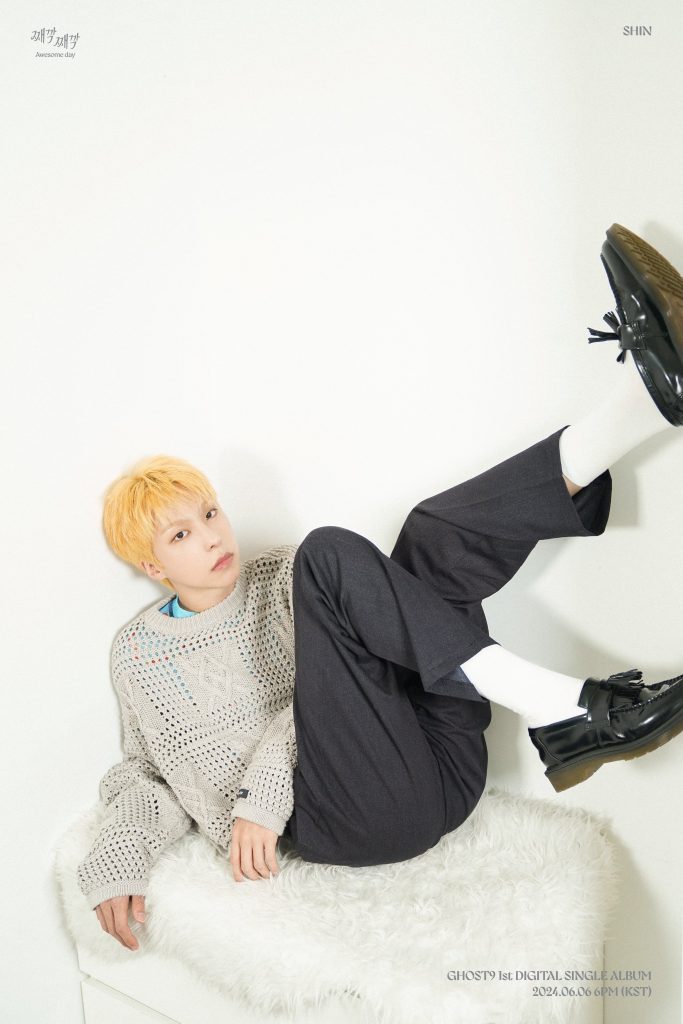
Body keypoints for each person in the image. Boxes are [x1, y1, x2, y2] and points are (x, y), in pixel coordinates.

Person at [78, 222, 683, 954]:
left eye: (209, 514)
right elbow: (147, 773)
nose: (210, 537)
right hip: (351, 818)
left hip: (442, 767)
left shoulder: (280, 577)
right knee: (330, 554)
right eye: (180, 536)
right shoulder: (143, 655)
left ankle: (641, 403)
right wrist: (120, 856)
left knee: (429, 537)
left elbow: (351, 683)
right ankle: (561, 706)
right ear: (153, 567)